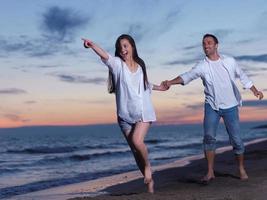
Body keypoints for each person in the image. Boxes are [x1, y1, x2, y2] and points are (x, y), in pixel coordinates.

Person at [163, 33, 264, 183]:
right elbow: (187, 76)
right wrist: (170, 82)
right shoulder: (202, 66)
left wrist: (254, 90)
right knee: (209, 138)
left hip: (231, 106)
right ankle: (210, 172)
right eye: (204, 43)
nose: (206, 45)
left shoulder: (229, 61)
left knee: (236, 140)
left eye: (209, 42)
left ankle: (241, 168)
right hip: (212, 106)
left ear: (216, 45)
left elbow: (242, 75)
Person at [82, 34, 168, 193]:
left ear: (132, 46)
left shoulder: (141, 66)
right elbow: (104, 54)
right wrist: (92, 45)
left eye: (126, 45)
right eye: (120, 47)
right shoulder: (116, 65)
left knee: (137, 141)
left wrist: (160, 88)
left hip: (143, 111)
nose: (123, 49)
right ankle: (149, 183)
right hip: (124, 116)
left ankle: (148, 167)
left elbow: (144, 84)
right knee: (135, 152)